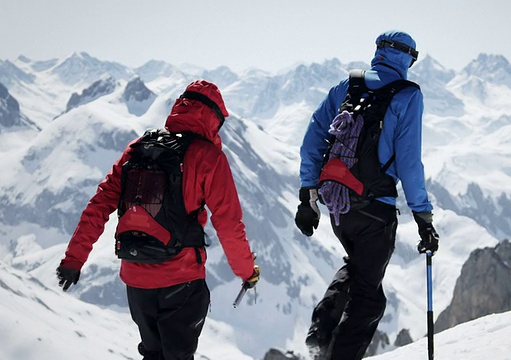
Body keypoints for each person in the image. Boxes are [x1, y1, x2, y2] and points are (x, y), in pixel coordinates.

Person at [56, 80, 260, 360]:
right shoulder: (208, 157)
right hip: (182, 280)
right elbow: (229, 224)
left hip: (136, 280)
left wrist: (74, 260)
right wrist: (247, 272)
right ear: (214, 118)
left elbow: (99, 204)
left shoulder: (137, 148)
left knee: (152, 355)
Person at [295, 31, 440, 360]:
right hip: (375, 210)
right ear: (407, 59)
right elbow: (408, 161)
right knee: (369, 299)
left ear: (379, 52)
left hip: (339, 207)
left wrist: (308, 196)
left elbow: (314, 137)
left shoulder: (348, 85)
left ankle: (320, 331)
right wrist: (423, 217)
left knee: (356, 268)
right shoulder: (407, 95)